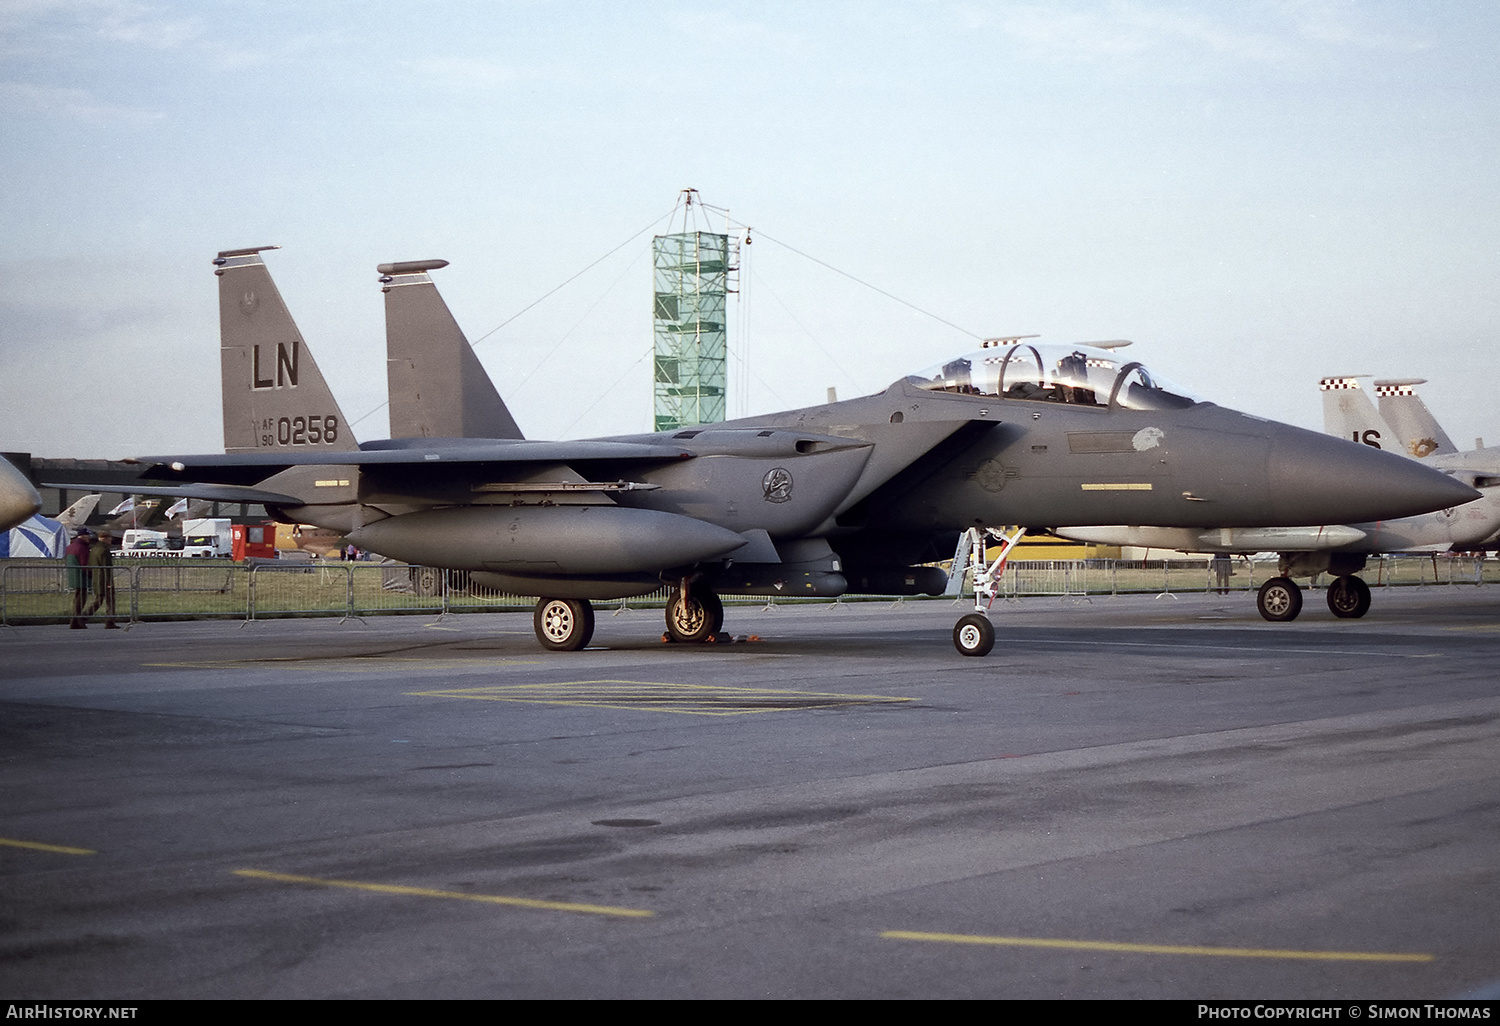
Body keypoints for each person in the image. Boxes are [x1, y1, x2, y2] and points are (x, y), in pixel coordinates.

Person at [84, 530, 119, 628]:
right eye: (109, 538)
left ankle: (83, 617)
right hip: (104, 579)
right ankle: (109, 621)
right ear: (105, 538)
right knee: (109, 601)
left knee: (99, 600)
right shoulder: (104, 550)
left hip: (96, 578)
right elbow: (106, 567)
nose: (111, 540)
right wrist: (109, 582)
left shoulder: (94, 549)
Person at [65, 527, 92, 629]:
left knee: (77, 599)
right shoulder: (82, 548)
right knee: (81, 600)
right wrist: (91, 574)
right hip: (81, 576)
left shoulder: (70, 547)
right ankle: (77, 621)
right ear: (83, 536)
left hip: (73, 576)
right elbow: (85, 563)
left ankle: (74, 621)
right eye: (87, 535)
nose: (89, 538)